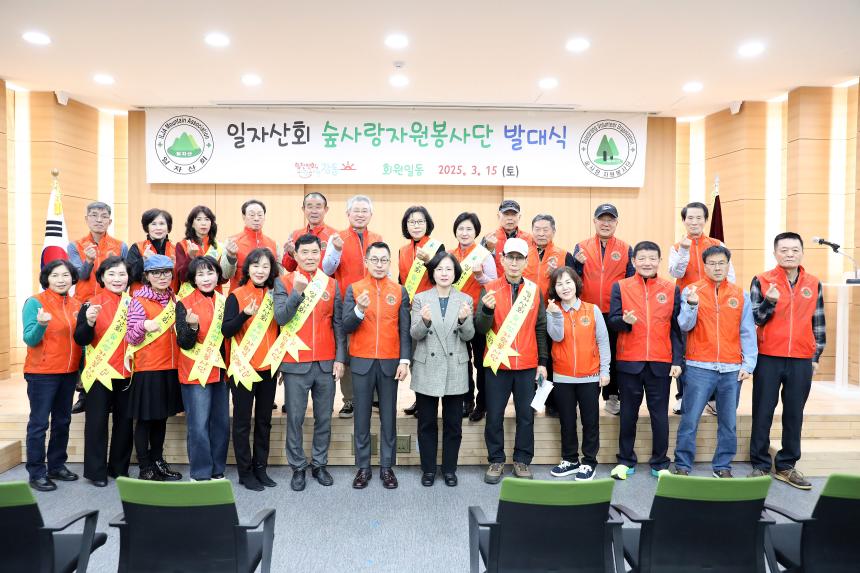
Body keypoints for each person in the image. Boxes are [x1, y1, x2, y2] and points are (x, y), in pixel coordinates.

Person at [748, 232, 825, 490]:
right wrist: (769, 302)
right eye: (784, 250)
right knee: (763, 410)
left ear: (802, 252)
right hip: (768, 356)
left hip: (801, 358)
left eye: (794, 250)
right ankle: (760, 464)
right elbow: (755, 318)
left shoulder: (813, 283)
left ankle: (786, 465)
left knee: (794, 413)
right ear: (775, 253)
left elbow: (818, 321)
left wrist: (815, 356)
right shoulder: (762, 280)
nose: (789, 254)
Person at [673, 246, 757, 478]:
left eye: (721, 263)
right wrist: (692, 305)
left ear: (728, 265)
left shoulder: (741, 295)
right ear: (705, 266)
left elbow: (747, 332)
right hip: (699, 366)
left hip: (732, 369)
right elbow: (684, 325)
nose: (717, 267)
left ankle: (722, 466)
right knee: (690, 419)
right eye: (712, 263)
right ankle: (682, 465)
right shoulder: (692, 290)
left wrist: (748, 364)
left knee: (728, 422)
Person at [273, 234, 346, 491]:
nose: (310, 257)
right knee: (295, 418)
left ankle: (319, 464)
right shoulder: (283, 282)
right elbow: (281, 318)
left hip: (326, 363)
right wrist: (297, 293)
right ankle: (298, 467)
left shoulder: (332, 285)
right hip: (295, 363)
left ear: (321, 253)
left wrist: (340, 358)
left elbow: (338, 325)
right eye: (304, 252)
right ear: (295, 255)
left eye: (315, 252)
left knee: (324, 417)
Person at [607, 241, 683, 480]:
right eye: (642, 258)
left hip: (660, 362)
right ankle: (625, 461)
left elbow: (676, 329)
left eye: (652, 258)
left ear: (659, 261)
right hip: (629, 360)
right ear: (633, 261)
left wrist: (677, 360)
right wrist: (624, 322)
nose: (647, 263)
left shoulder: (671, 289)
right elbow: (612, 321)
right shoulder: (621, 287)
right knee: (628, 414)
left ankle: (660, 463)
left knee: (659, 415)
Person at [475, 237, 548, 484]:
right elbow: (480, 328)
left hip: (527, 364)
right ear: (502, 259)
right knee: (494, 415)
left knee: (526, 415)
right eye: (510, 258)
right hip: (498, 364)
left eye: (519, 258)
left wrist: (543, 362)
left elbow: (540, 327)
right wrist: (486, 310)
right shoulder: (489, 288)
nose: (514, 263)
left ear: (526, 261)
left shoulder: (534, 291)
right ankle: (496, 460)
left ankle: (522, 460)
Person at [342, 242, 411, 490]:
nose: (379, 265)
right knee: (361, 417)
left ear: (389, 263)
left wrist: (404, 360)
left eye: (384, 260)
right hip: (361, 362)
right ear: (366, 262)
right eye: (375, 260)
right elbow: (346, 325)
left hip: (390, 363)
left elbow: (404, 329)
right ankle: (363, 467)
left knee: (388, 417)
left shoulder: (400, 291)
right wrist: (359, 310)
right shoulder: (354, 289)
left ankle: (386, 467)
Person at [410, 252, 475, 487]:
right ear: (433, 273)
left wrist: (464, 321)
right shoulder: (421, 299)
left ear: (455, 273)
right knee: (426, 423)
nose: (444, 273)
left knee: (453, 424)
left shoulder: (465, 299)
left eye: (449, 269)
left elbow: (469, 336)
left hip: (455, 368)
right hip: (427, 366)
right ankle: (428, 470)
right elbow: (415, 334)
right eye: (439, 269)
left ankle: (449, 469)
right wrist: (425, 322)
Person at [668, 201, 736, 413]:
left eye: (699, 218)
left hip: (714, 302)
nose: (694, 222)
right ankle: (682, 396)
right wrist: (684, 251)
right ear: (683, 220)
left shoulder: (717, 244)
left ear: (706, 220)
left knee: (713, 344)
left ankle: (712, 397)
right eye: (690, 218)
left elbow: (729, 275)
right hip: (687, 302)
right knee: (684, 349)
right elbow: (676, 273)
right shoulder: (677, 247)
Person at [222, 247, 280, 491]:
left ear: (271, 270)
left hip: (268, 368)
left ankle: (260, 468)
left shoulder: (275, 295)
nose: (260, 270)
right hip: (243, 368)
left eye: (265, 266)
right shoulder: (236, 295)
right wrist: (244, 315)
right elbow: (226, 330)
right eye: (256, 265)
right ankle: (245, 473)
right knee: (242, 422)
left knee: (264, 421)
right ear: (248, 269)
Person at [22, 260, 82, 491]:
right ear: (46, 278)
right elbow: (30, 339)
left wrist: (81, 372)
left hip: (69, 373)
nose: (61, 280)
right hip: (42, 374)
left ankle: (56, 466)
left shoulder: (77, 304)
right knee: (39, 424)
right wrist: (40, 324)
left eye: (65, 275)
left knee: (62, 421)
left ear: (73, 278)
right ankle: (36, 472)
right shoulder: (35, 302)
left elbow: (81, 341)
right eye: (55, 275)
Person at [74, 256, 134, 487]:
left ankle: (118, 468)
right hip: (100, 372)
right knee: (96, 423)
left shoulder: (133, 303)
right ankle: (96, 472)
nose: (117, 279)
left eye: (122, 274)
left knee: (124, 423)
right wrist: (89, 322)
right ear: (102, 277)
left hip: (127, 372)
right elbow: (80, 338)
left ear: (128, 278)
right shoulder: (91, 304)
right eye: (112, 274)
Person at [546, 267, 610, 481]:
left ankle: (589, 462)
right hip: (562, 377)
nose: (564, 287)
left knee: (590, 421)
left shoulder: (592, 310)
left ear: (576, 283)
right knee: (567, 421)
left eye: (568, 282)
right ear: (554, 289)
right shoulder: (552, 310)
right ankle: (570, 460)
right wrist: (555, 315)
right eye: (559, 284)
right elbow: (556, 337)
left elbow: (603, 342)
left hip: (590, 376)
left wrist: (605, 371)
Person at [322, 195, 382, 418]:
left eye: (364, 210)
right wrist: (336, 250)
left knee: (373, 347)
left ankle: (375, 397)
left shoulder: (377, 238)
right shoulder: (337, 238)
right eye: (356, 210)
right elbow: (327, 270)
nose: (360, 214)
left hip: (374, 300)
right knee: (347, 351)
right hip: (345, 302)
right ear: (348, 214)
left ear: (371, 214)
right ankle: (350, 400)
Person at [125, 254, 184, 481]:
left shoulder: (174, 299)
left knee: (161, 418)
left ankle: (158, 460)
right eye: (156, 273)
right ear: (147, 276)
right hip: (148, 369)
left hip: (170, 367)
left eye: (166, 272)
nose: (162, 277)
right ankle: (145, 465)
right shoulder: (138, 301)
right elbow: (131, 337)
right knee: (146, 419)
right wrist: (143, 325)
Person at [67, 201, 128, 415]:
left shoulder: (120, 245)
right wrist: (89, 261)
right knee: (85, 349)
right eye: (94, 215)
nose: (99, 220)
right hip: (86, 303)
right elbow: (79, 276)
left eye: (103, 216)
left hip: (113, 303)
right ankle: (84, 394)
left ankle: (111, 394)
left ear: (110, 221)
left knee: (111, 345)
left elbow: (124, 276)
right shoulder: (75, 246)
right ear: (86, 219)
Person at [573, 203, 634, 416]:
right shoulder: (581, 247)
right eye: (602, 219)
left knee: (614, 354)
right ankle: (585, 395)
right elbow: (573, 279)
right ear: (595, 221)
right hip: (587, 311)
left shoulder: (626, 249)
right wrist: (577, 265)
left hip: (614, 312)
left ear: (616, 223)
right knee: (587, 352)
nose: (606, 223)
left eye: (610, 220)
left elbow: (631, 281)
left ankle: (612, 396)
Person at [175, 255, 230, 482]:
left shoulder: (225, 301)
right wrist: (192, 327)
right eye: (200, 274)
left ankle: (217, 471)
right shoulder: (184, 303)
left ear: (218, 276)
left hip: (221, 373)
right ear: (193, 279)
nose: (206, 278)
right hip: (195, 372)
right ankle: (200, 473)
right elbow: (184, 342)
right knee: (198, 425)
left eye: (210, 273)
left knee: (221, 424)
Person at [450, 212, 497, 421]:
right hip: (455, 315)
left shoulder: (484, 255)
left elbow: (494, 284)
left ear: (476, 232)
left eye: (469, 229)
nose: (464, 233)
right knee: (461, 361)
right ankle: (465, 400)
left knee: (480, 361)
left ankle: (482, 403)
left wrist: (479, 275)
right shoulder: (450, 255)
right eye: (461, 228)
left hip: (479, 316)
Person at [399, 205, 445, 417]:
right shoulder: (402, 250)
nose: (416, 225)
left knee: (430, 357)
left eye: (420, 221)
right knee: (416, 357)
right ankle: (420, 399)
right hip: (410, 310)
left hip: (431, 309)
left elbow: (444, 277)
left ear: (428, 224)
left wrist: (429, 262)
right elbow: (401, 281)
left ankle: (431, 401)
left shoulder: (437, 246)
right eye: (411, 222)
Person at [221, 199, 280, 292]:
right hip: (239, 296)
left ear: (264, 217)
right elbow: (225, 275)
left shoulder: (273, 244)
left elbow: (279, 276)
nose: (256, 218)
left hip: (267, 298)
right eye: (252, 215)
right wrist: (231, 256)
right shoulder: (232, 242)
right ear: (244, 217)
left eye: (260, 215)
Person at [281, 192, 337, 272]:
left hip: (326, 279)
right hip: (301, 279)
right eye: (310, 207)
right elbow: (289, 268)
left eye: (318, 207)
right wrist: (291, 253)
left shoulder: (334, 236)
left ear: (326, 209)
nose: (314, 211)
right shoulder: (295, 235)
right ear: (303, 209)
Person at [126, 208, 178, 293]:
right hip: (141, 299)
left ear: (168, 227)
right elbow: (128, 277)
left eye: (162, 224)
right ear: (147, 227)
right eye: (153, 224)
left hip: (170, 299)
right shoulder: (137, 247)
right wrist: (143, 261)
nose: (158, 228)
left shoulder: (176, 250)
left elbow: (183, 280)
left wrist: (176, 267)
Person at [524, 214, 575, 299]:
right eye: (537, 229)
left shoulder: (565, 255)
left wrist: (555, 274)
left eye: (545, 230)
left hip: (554, 304)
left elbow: (573, 285)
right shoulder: (523, 254)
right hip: (526, 303)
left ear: (554, 232)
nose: (541, 234)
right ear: (532, 231)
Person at [174, 205, 225, 287]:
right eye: (198, 219)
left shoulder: (219, 247)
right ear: (192, 224)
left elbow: (224, 279)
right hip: (190, 293)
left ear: (211, 224)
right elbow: (182, 277)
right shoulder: (182, 245)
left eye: (207, 219)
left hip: (213, 292)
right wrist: (190, 257)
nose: (203, 223)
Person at [482, 199, 531, 278]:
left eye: (513, 215)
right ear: (498, 216)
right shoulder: (489, 238)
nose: (510, 218)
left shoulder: (529, 239)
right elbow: (480, 264)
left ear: (519, 217)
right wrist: (489, 248)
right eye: (506, 214)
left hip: (522, 283)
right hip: (496, 283)